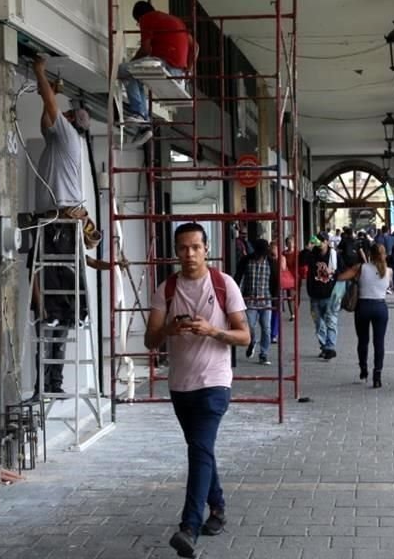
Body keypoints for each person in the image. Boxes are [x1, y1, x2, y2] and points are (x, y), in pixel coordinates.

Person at [144, 222, 251, 558]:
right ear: (176, 251)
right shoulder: (167, 289)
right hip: (181, 385)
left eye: (195, 247)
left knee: (199, 450)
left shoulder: (223, 284)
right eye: (182, 248)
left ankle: (189, 526)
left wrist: (212, 331)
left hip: (215, 383)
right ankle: (217, 507)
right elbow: (150, 339)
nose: (189, 254)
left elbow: (245, 336)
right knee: (200, 449)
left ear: (206, 249)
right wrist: (171, 331)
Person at [28, 57, 118, 397]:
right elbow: (45, 117)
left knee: (53, 294)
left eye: (61, 116)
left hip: (59, 221)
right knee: (51, 298)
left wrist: (40, 74)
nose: (55, 118)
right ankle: (50, 382)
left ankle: (52, 380)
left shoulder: (68, 138)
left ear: (69, 121)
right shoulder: (59, 141)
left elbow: (49, 108)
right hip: (54, 220)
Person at [117, 0, 198, 147]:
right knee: (137, 76)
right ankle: (144, 123)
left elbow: (146, 50)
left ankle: (141, 115)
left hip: (165, 63)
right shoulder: (175, 21)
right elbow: (196, 47)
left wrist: (131, 62)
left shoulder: (147, 18)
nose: (139, 25)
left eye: (137, 22)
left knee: (124, 70)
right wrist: (188, 71)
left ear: (139, 17)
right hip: (179, 72)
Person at [337, 242, 391, 388]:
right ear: (384, 254)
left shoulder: (360, 268)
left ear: (370, 255)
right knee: (379, 343)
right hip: (380, 307)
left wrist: (355, 278)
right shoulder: (389, 271)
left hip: (363, 307)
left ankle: (363, 369)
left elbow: (341, 277)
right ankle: (377, 374)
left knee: (363, 340)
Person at [234, 238, 278, 365]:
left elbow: (276, 281)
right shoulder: (246, 261)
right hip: (250, 300)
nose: (260, 257)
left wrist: (275, 299)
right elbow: (239, 278)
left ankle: (263, 353)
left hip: (266, 300)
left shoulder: (271, 263)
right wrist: (238, 296)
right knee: (249, 327)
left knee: (266, 328)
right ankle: (252, 341)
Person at [306, 233, 341, 359]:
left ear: (327, 241)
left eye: (322, 241)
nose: (320, 243)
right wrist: (308, 248)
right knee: (318, 324)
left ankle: (330, 347)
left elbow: (340, 270)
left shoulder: (333, 254)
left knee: (331, 322)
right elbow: (301, 261)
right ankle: (324, 346)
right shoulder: (312, 253)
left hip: (330, 294)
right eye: (318, 240)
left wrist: (332, 272)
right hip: (314, 294)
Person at [282, 235, 299, 321]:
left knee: (295, 295)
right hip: (287, 276)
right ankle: (292, 314)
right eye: (287, 243)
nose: (289, 244)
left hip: (295, 275)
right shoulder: (284, 253)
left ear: (294, 243)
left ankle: (295, 310)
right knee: (289, 295)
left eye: (290, 242)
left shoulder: (297, 253)